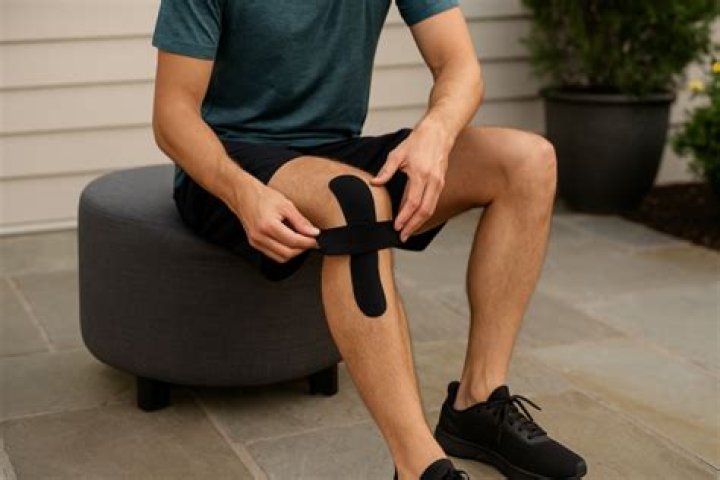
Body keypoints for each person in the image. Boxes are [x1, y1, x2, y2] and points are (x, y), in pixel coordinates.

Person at [151, 1, 587, 479]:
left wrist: (436, 133)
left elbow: (460, 65)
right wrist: (242, 193)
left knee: (528, 162)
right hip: (228, 163)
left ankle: (477, 403)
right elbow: (173, 115)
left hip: (334, 151)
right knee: (356, 200)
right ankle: (417, 465)